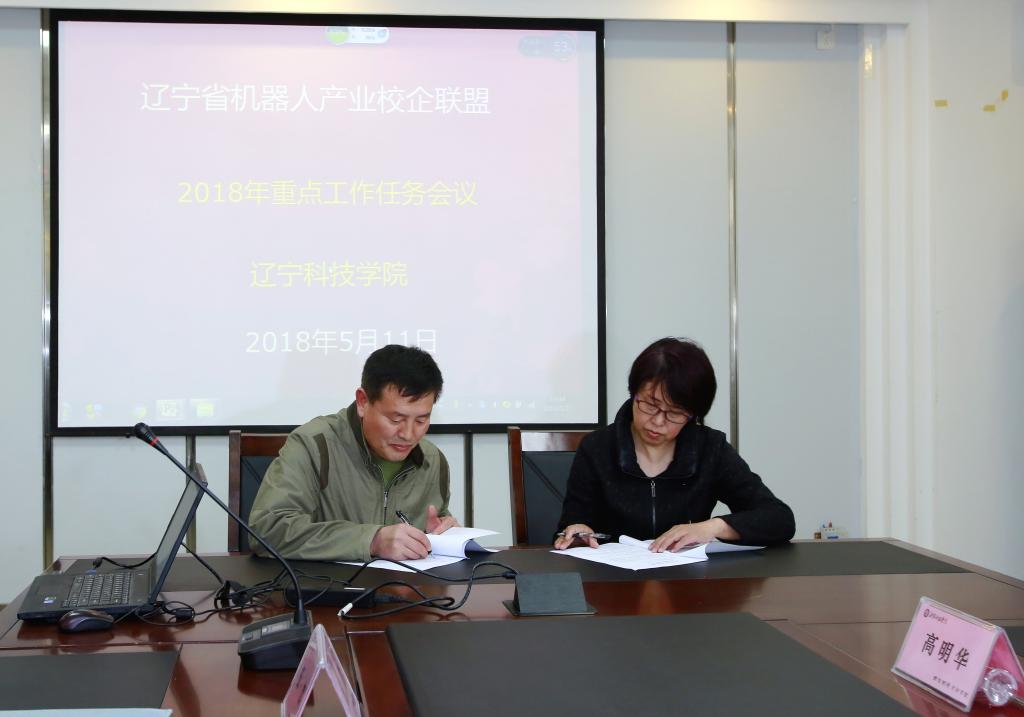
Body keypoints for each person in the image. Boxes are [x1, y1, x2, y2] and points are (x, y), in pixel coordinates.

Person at [555, 337, 794, 552]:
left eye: (675, 413)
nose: (658, 421)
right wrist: (577, 531)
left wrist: (712, 527)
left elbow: (779, 518)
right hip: (613, 581)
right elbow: (572, 524)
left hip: (689, 582)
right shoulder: (597, 448)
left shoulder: (710, 448)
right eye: (650, 405)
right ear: (633, 392)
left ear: (693, 415)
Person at [249, 344, 458, 562]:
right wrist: (372, 541)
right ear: (362, 402)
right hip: (326, 583)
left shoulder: (432, 460)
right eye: (396, 419)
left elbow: (437, 523)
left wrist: (444, 536)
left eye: (421, 420)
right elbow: (267, 530)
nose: (408, 434)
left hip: (407, 584)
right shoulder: (314, 446)